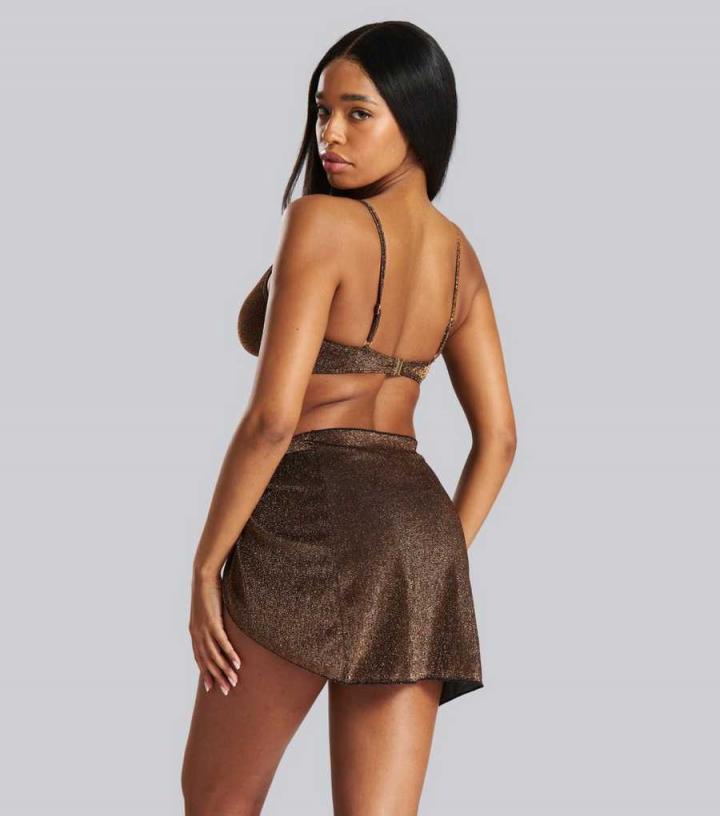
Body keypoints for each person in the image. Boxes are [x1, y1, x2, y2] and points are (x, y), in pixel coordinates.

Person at [181, 20, 516, 816]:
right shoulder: (461, 255)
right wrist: (432, 558)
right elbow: (500, 438)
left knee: (217, 799)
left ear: (418, 119)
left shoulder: (319, 223)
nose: (329, 133)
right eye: (322, 110)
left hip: (307, 517)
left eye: (357, 113)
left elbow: (272, 420)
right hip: (417, 525)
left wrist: (205, 566)